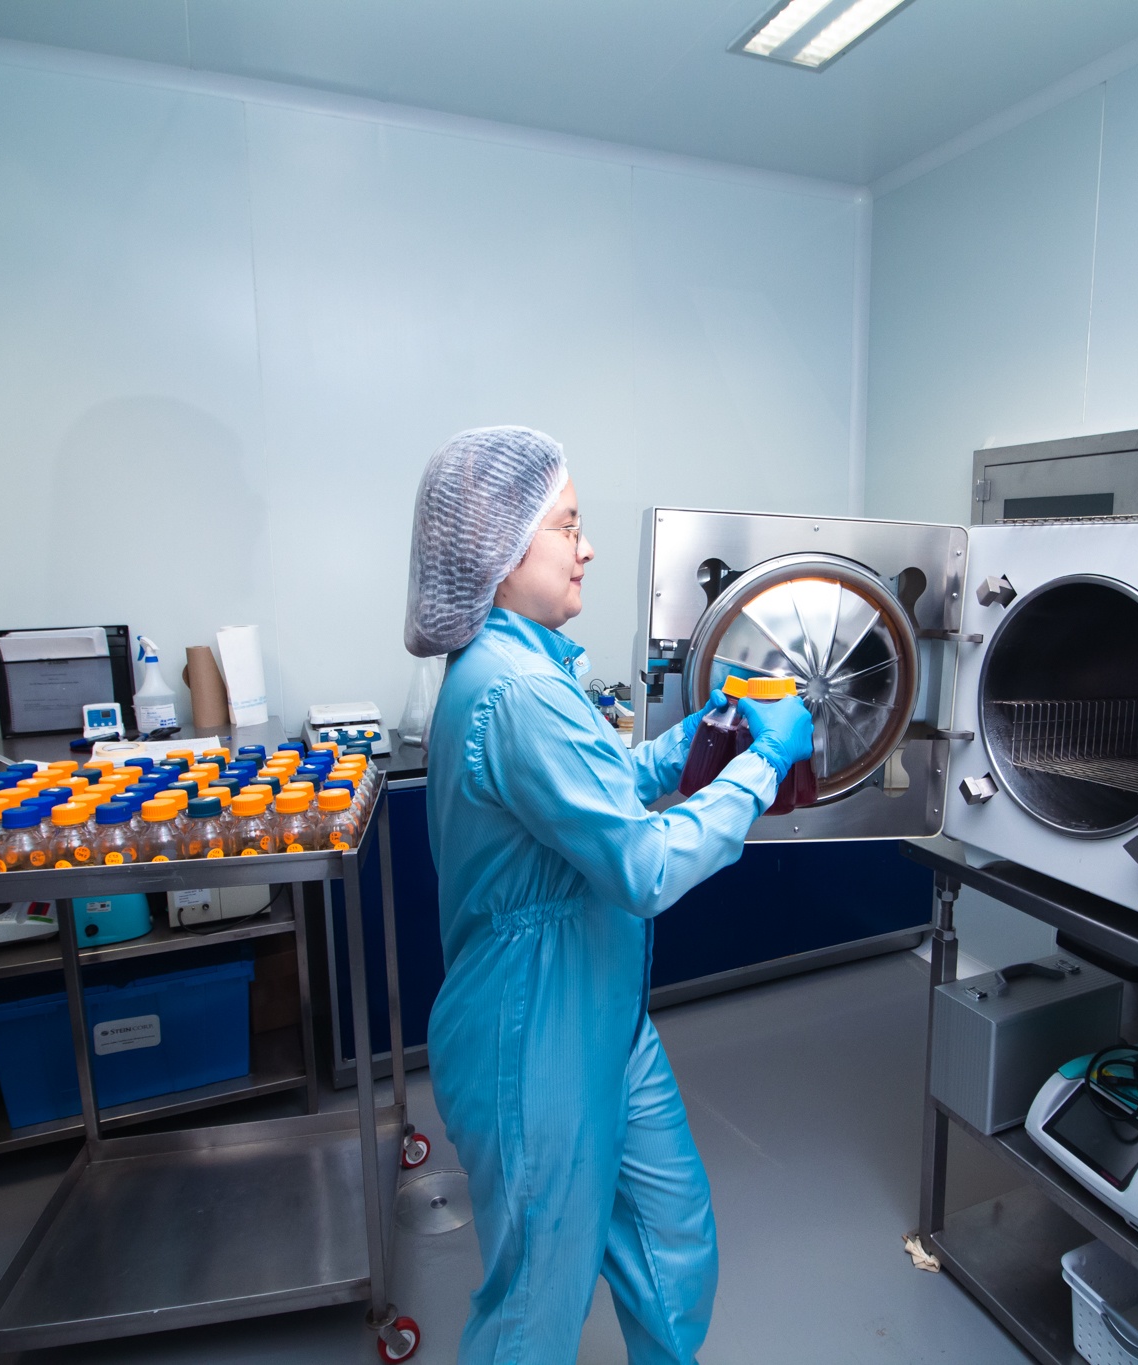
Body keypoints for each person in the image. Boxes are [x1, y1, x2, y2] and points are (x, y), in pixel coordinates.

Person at [406, 426, 815, 1365]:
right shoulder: (512, 691)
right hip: (530, 1031)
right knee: (536, 1308)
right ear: (504, 554)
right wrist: (762, 766)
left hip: (603, 1013)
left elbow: (591, 795)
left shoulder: (537, 665)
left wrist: (690, 745)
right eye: (569, 527)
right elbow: (641, 865)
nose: (586, 546)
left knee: (673, 1239)